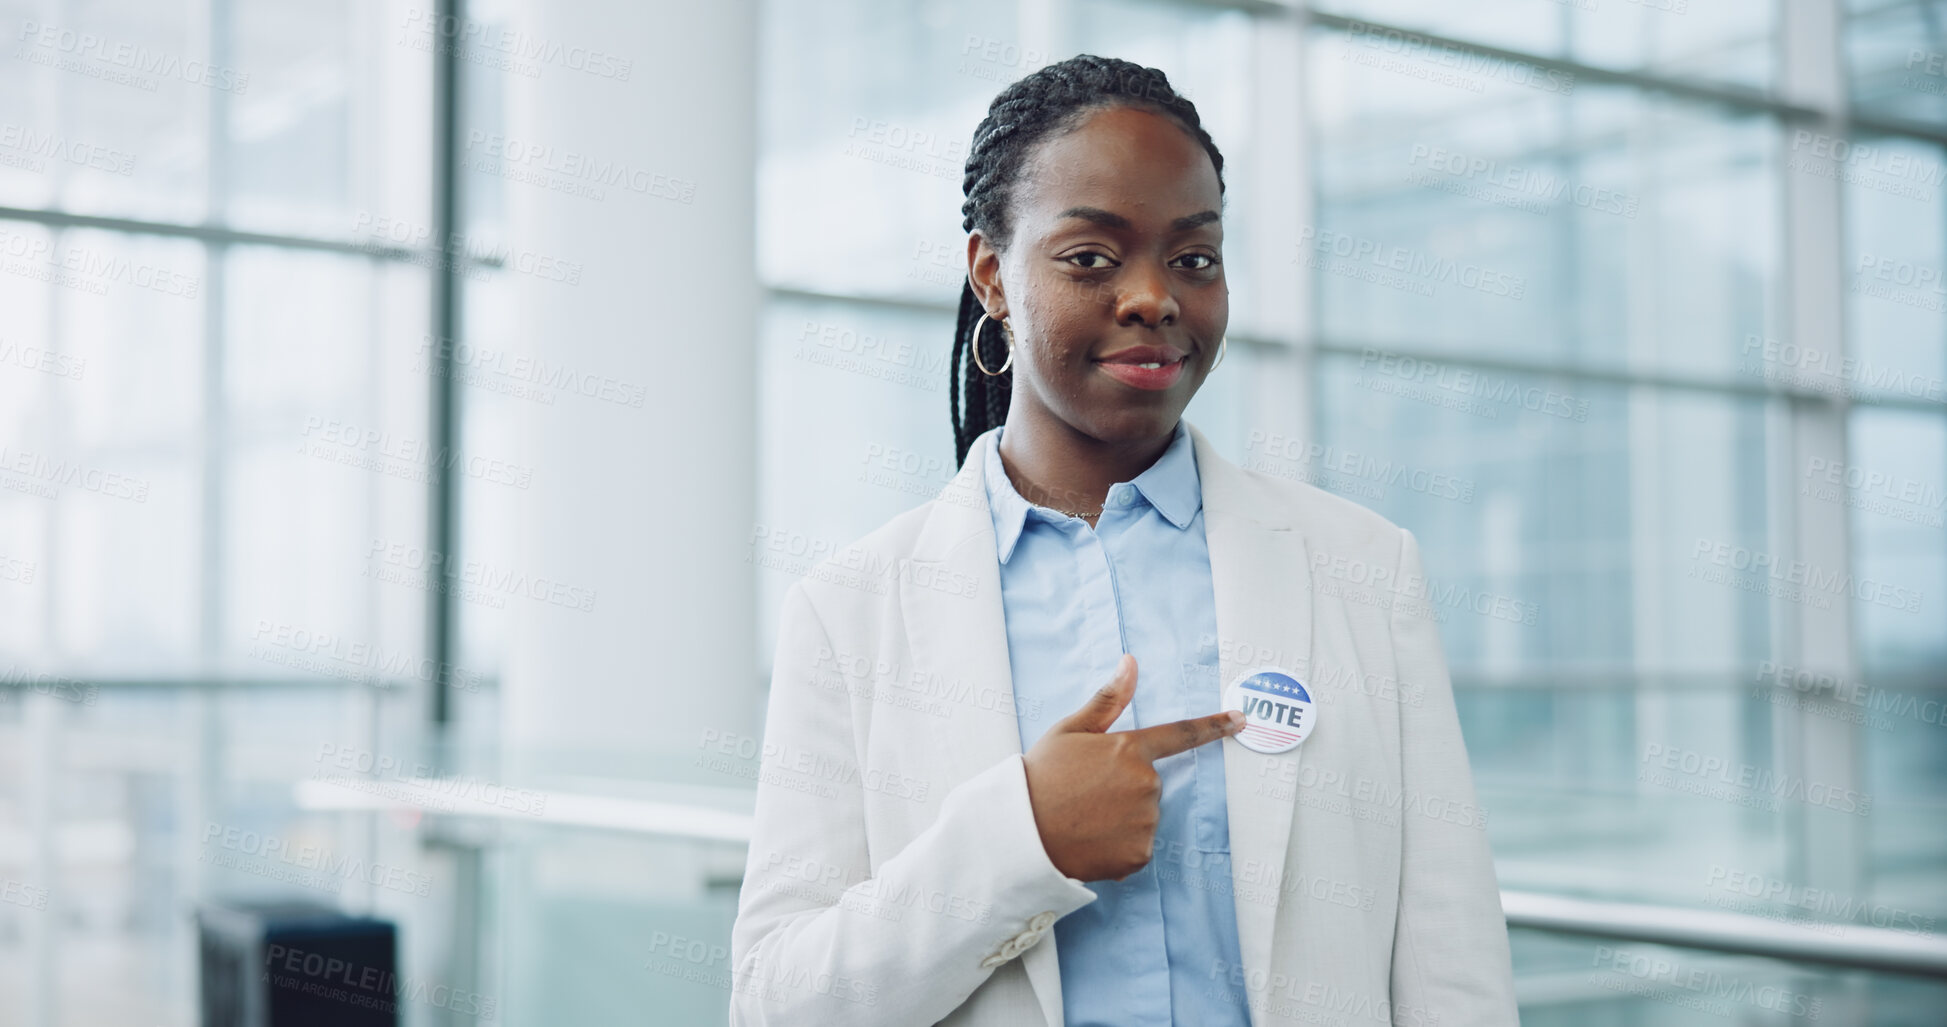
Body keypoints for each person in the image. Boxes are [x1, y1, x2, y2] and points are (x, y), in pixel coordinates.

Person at [729, 54, 1517, 1027]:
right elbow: (779, 1004)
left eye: (1194, 257)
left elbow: (1455, 977)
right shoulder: (851, 611)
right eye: (1092, 258)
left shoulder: (1362, 570)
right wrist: (1025, 840)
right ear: (993, 276)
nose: (1155, 296)